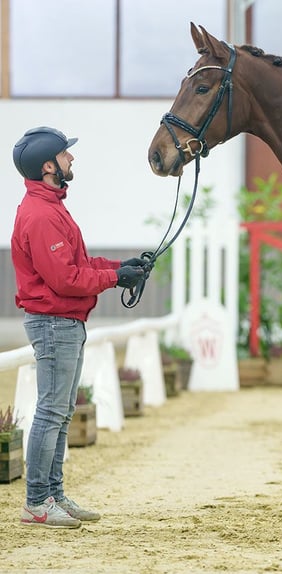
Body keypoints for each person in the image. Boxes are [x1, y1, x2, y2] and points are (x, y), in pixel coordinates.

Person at [11, 126, 147, 529]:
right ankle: (37, 501)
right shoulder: (40, 215)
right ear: (49, 166)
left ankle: (52, 494)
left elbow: (78, 265)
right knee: (51, 412)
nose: (72, 160)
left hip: (65, 322)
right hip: (55, 323)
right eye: (66, 155)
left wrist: (120, 269)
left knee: (62, 411)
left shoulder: (51, 208)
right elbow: (65, 280)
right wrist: (114, 279)